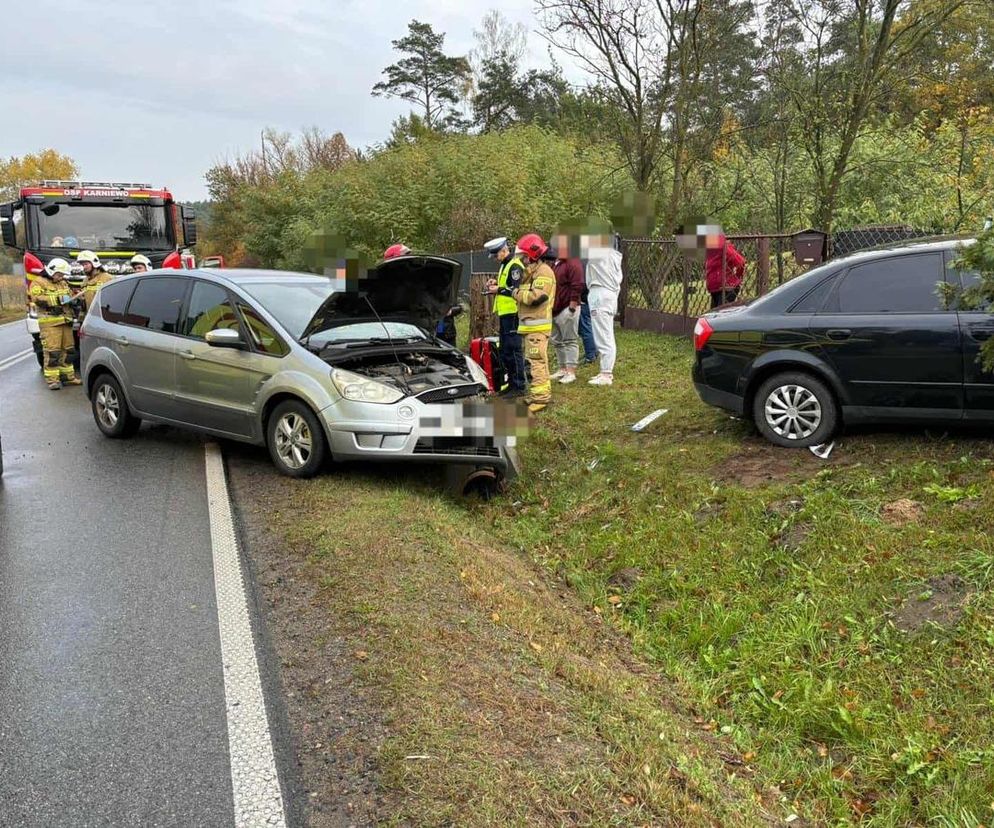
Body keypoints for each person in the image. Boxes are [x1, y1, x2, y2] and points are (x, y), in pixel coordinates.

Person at [512, 234, 557, 412]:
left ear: (532, 254)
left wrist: (515, 294)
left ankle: (541, 399)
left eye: (524, 256)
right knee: (536, 361)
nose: (522, 260)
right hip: (532, 326)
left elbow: (537, 297)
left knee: (537, 362)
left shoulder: (544, 272)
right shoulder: (533, 271)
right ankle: (539, 394)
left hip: (538, 327)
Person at [483, 236, 527, 396]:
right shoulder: (505, 265)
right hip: (505, 314)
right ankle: (511, 384)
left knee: (514, 350)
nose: (495, 258)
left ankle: (519, 386)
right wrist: (495, 284)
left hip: (513, 313)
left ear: (504, 250)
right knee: (506, 351)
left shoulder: (515, 266)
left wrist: (498, 290)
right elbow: (506, 286)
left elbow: (516, 291)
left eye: (496, 255)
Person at [28, 258, 81, 389]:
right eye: (59, 274)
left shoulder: (62, 282)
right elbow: (37, 299)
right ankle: (53, 380)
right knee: (53, 352)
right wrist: (58, 300)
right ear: (52, 270)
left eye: (62, 275)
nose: (61, 277)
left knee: (69, 351)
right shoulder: (38, 282)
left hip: (65, 321)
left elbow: (68, 294)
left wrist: (74, 298)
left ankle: (68, 377)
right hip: (50, 324)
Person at [584, 229, 623, 386]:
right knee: (605, 333)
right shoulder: (613, 257)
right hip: (608, 295)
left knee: (603, 335)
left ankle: (606, 373)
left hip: (600, 295)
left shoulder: (600, 256)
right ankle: (605, 371)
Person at [547, 235, 585, 384]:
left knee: (570, 340)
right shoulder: (556, 263)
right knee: (557, 340)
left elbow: (577, 285)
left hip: (567, 308)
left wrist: (572, 307)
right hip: (555, 309)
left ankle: (571, 371)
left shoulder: (573, 262)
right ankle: (562, 368)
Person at [705, 233, 746, 308]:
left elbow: (741, 262)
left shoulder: (724, 247)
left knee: (720, 315)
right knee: (713, 315)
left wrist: (737, 278)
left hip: (726, 288)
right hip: (715, 289)